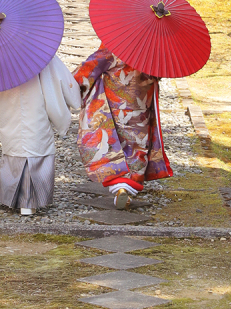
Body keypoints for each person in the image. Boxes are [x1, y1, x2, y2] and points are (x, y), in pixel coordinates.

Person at [74, 45, 172, 209]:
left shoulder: (115, 47)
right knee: (138, 146)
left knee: (111, 146)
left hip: (114, 108)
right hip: (141, 109)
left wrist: (74, 86)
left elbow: (87, 71)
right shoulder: (155, 51)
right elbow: (158, 76)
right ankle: (129, 186)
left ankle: (120, 186)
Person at [0, 55, 81, 217]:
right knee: (37, 149)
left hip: (9, 109)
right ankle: (32, 202)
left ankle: (14, 199)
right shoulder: (41, 53)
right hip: (37, 110)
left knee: (14, 151)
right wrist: (75, 97)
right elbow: (62, 80)